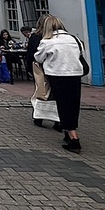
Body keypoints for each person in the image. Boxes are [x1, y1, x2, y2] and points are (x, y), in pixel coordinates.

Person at [34, 15, 85, 153]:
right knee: (73, 105)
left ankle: (74, 139)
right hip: (75, 74)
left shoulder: (47, 41)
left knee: (63, 105)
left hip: (57, 75)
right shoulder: (73, 39)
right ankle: (68, 134)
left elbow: (38, 57)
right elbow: (81, 53)